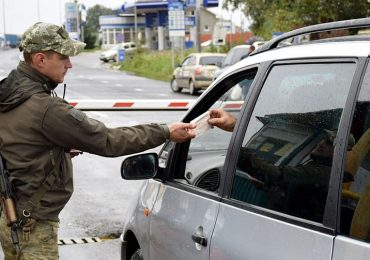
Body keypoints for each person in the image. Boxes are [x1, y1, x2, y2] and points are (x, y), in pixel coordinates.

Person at [0, 22, 195, 259]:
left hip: (11, 217)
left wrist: (55, 150)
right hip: (34, 228)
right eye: (63, 57)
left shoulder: (9, 93)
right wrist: (165, 131)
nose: (70, 64)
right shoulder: (45, 108)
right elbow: (109, 140)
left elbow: (17, 145)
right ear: (40, 60)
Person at [208, 108, 355, 221]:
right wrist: (266, 186)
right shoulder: (317, 166)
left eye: (330, 142)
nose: (322, 143)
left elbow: (278, 175)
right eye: (324, 138)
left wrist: (239, 148)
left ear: (341, 152)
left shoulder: (323, 172)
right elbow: (294, 187)